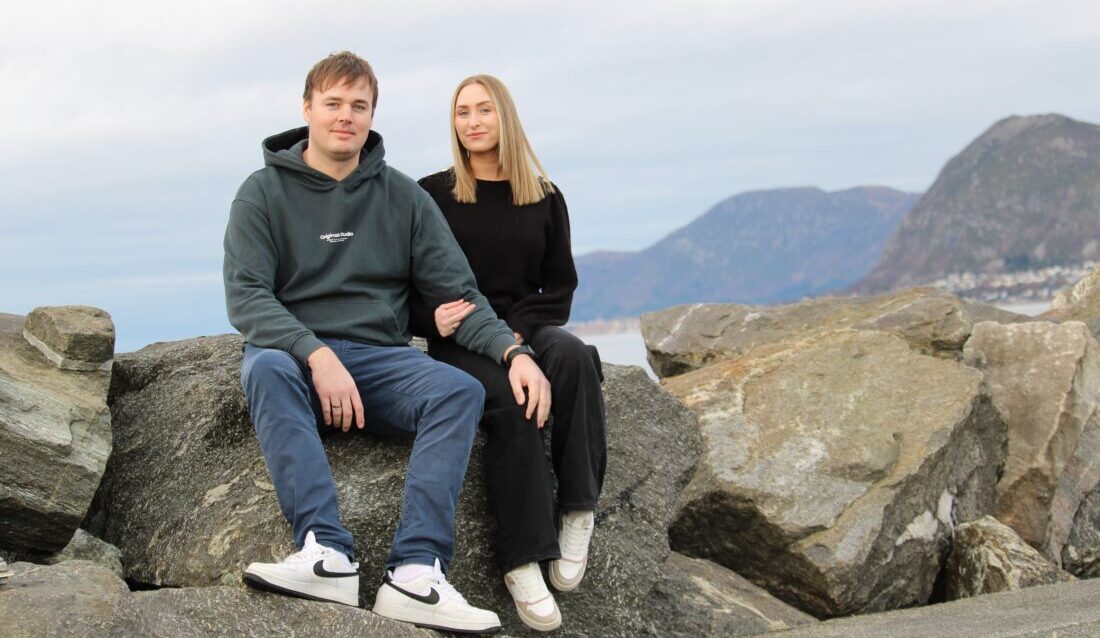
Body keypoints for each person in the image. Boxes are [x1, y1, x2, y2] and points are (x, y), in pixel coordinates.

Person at [223, 52, 551, 635]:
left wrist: (513, 353)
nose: (345, 117)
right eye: (333, 104)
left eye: (359, 106)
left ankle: (416, 574)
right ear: (307, 109)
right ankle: (326, 554)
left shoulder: (403, 197)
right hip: (298, 359)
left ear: (372, 115)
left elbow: (460, 295)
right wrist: (316, 354)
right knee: (264, 367)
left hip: (381, 361)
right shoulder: (261, 193)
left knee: (457, 391)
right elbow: (248, 299)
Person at [410, 74, 607, 632]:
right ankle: (521, 559)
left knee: (572, 356)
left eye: (484, 111)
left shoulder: (544, 196)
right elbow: (407, 287)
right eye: (462, 112)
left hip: (526, 328)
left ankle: (577, 509)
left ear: (506, 119)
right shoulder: (433, 194)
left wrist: (516, 336)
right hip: (461, 339)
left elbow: (559, 291)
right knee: (509, 398)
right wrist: (432, 320)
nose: (472, 122)